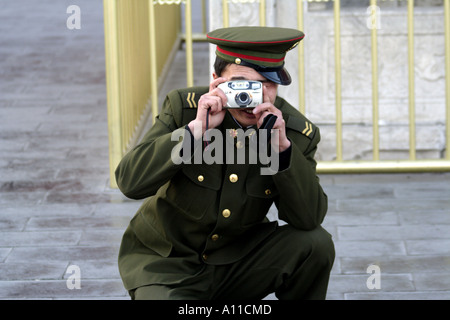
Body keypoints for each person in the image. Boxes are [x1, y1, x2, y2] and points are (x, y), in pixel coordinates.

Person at [115, 26, 335, 300]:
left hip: (239, 261)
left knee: (316, 244)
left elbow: (308, 219)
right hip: (167, 266)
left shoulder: (293, 132)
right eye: (242, 84)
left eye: (265, 85)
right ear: (216, 81)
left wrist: (281, 150)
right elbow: (129, 182)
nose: (252, 97)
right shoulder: (184, 109)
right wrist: (196, 131)